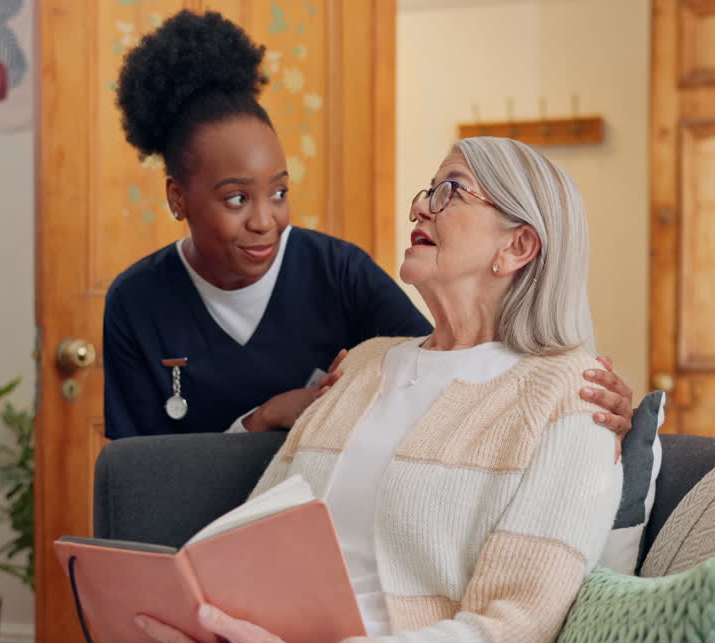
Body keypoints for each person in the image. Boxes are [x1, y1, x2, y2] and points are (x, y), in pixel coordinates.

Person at [0, 137, 625, 643]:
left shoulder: (569, 395)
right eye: (425, 192)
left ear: (517, 246)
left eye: (449, 192)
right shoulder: (370, 363)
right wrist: (203, 631)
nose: (420, 209)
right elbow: (258, 529)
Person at [102, 10, 635, 446]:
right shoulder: (137, 300)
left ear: (519, 245)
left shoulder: (337, 272)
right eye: (237, 198)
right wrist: (261, 419)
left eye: (280, 192)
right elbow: (135, 477)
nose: (265, 221)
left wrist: (574, 395)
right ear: (178, 197)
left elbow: (449, 362)